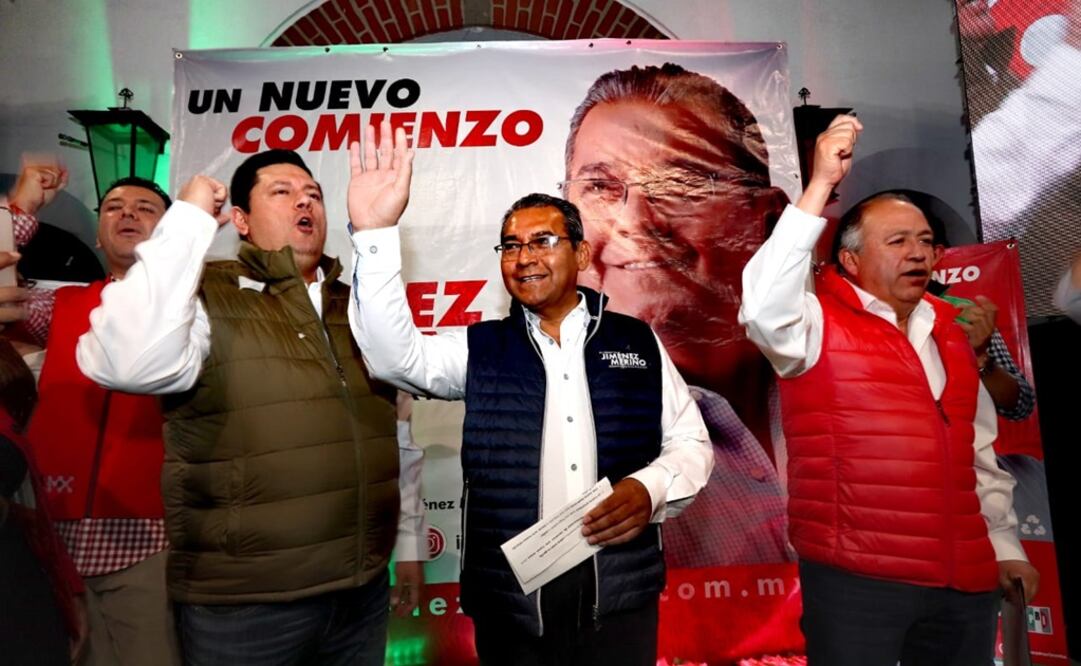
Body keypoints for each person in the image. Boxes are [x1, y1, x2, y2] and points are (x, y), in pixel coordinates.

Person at [347, 122, 712, 665]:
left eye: (543, 241)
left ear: (582, 254)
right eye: (511, 245)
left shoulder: (634, 340)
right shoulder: (482, 348)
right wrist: (375, 234)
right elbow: (393, 358)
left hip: (617, 595)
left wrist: (651, 487)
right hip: (513, 605)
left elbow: (691, 441)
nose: (524, 258)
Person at [75, 149, 426, 665]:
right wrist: (189, 220)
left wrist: (409, 544)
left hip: (360, 593)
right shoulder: (204, 294)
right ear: (239, 218)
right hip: (245, 610)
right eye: (281, 192)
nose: (303, 202)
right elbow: (127, 362)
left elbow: (397, 434)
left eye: (313, 194)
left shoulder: (357, 305)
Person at [740, 115, 1039, 665]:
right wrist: (819, 186)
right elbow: (761, 309)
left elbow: (976, 455)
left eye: (926, 241)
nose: (919, 253)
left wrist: (1004, 547)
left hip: (963, 584)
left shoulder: (952, 331)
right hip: (860, 582)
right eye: (898, 241)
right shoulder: (815, 325)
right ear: (850, 260)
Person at [561, 63, 792, 566]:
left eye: (681, 184)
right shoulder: (557, 411)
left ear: (767, 217)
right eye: (600, 188)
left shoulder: (832, 373)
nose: (637, 222)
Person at [26, 176, 179, 665]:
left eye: (144, 208)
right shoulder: (60, 306)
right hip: (56, 535)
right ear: (97, 233)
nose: (127, 214)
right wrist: (23, 208)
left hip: (153, 539)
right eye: (113, 207)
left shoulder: (194, 310)